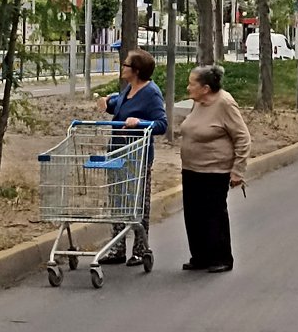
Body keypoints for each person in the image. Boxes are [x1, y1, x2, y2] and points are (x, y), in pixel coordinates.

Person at [97, 49, 167, 265]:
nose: (122, 67)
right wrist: (107, 102)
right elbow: (120, 106)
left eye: (126, 64)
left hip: (138, 155)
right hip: (118, 152)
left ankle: (140, 248)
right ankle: (118, 248)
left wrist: (141, 123)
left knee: (138, 203)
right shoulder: (129, 89)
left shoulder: (151, 93)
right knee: (118, 200)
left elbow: (162, 124)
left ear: (136, 70)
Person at [179, 64, 251, 273]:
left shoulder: (225, 103)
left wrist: (238, 170)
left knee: (213, 214)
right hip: (191, 168)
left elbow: (242, 137)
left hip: (215, 170)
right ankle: (200, 256)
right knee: (193, 214)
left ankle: (221, 257)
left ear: (206, 88)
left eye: (192, 84)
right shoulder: (199, 102)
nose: (188, 88)